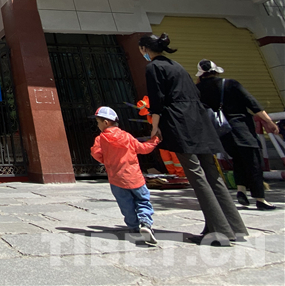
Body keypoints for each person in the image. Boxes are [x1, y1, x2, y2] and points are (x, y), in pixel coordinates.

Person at [140, 33, 247, 245]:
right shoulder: (177, 66)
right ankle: (233, 226)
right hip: (198, 120)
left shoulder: (153, 67)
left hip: (180, 121)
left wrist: (155, 126)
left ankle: (219, 231)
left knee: (196, 174)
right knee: (212, 174)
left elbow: (157, 100)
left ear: (144, 48)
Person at [196, 59, 279, 210]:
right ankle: (260, 199)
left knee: (238, 160)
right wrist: (268, 122)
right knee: (254, 162)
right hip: (242, 129)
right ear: (216, 71)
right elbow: (252, 103)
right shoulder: (230, 84)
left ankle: (241, 190)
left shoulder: (198, 89)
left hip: (222, 131)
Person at [90, 106, 161, 244]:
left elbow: (96, 153)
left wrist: (107, 161)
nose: (98, 125)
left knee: (126, 205)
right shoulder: (127, 136)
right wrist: (155, 140)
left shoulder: (100, 139)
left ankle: (133, 228)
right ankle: (145, 223)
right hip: (135, 178)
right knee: (142, 200)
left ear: (106, 122)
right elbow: (143, 149)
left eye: (98, 122)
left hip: (116, 180)